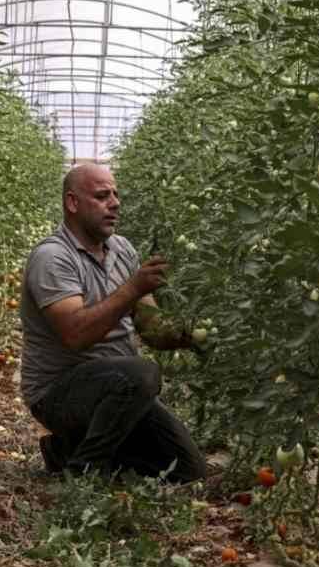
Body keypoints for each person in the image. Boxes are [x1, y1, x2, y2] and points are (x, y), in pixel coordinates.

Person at [19, 163, 207, 483]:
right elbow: (75, 334)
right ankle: (84, 470)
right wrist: (134, 287)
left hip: (119, 388)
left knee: (188, 469)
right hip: (59, 393)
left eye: (116, 195)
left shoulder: (122, 250)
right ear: (72, 203)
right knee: (142, 373)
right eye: (102, 196)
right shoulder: (52, 257)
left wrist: (191, 334)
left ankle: (64, 449)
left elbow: (150, 328)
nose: (115, 202)